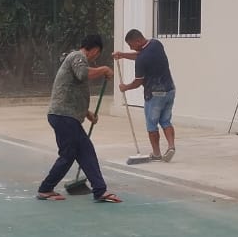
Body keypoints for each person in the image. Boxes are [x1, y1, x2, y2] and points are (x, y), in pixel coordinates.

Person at [37, 33, 121, 202]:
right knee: (72, 153)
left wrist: (87, 113)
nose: (96, 57)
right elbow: (82, 74)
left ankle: (99, 190)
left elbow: (71, 91)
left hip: (65, 116)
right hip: (63, 116)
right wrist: (104, 69)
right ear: (95, 49)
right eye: (97, 53)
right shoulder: (77, 56)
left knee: (81, 152)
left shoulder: (75, 59)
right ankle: (46, 189)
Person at [113, 28, 176, 161]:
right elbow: (140, 54)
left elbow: (138, 82)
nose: (131, 48)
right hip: (170, 89)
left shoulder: (141, 60)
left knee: (152, 125)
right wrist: (123, 55)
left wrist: (125, 87)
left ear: (138, 41)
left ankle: (156, 153)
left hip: (154, 94)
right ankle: (171, 146)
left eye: (131, 45)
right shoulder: (156, 44)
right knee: (165, 121)